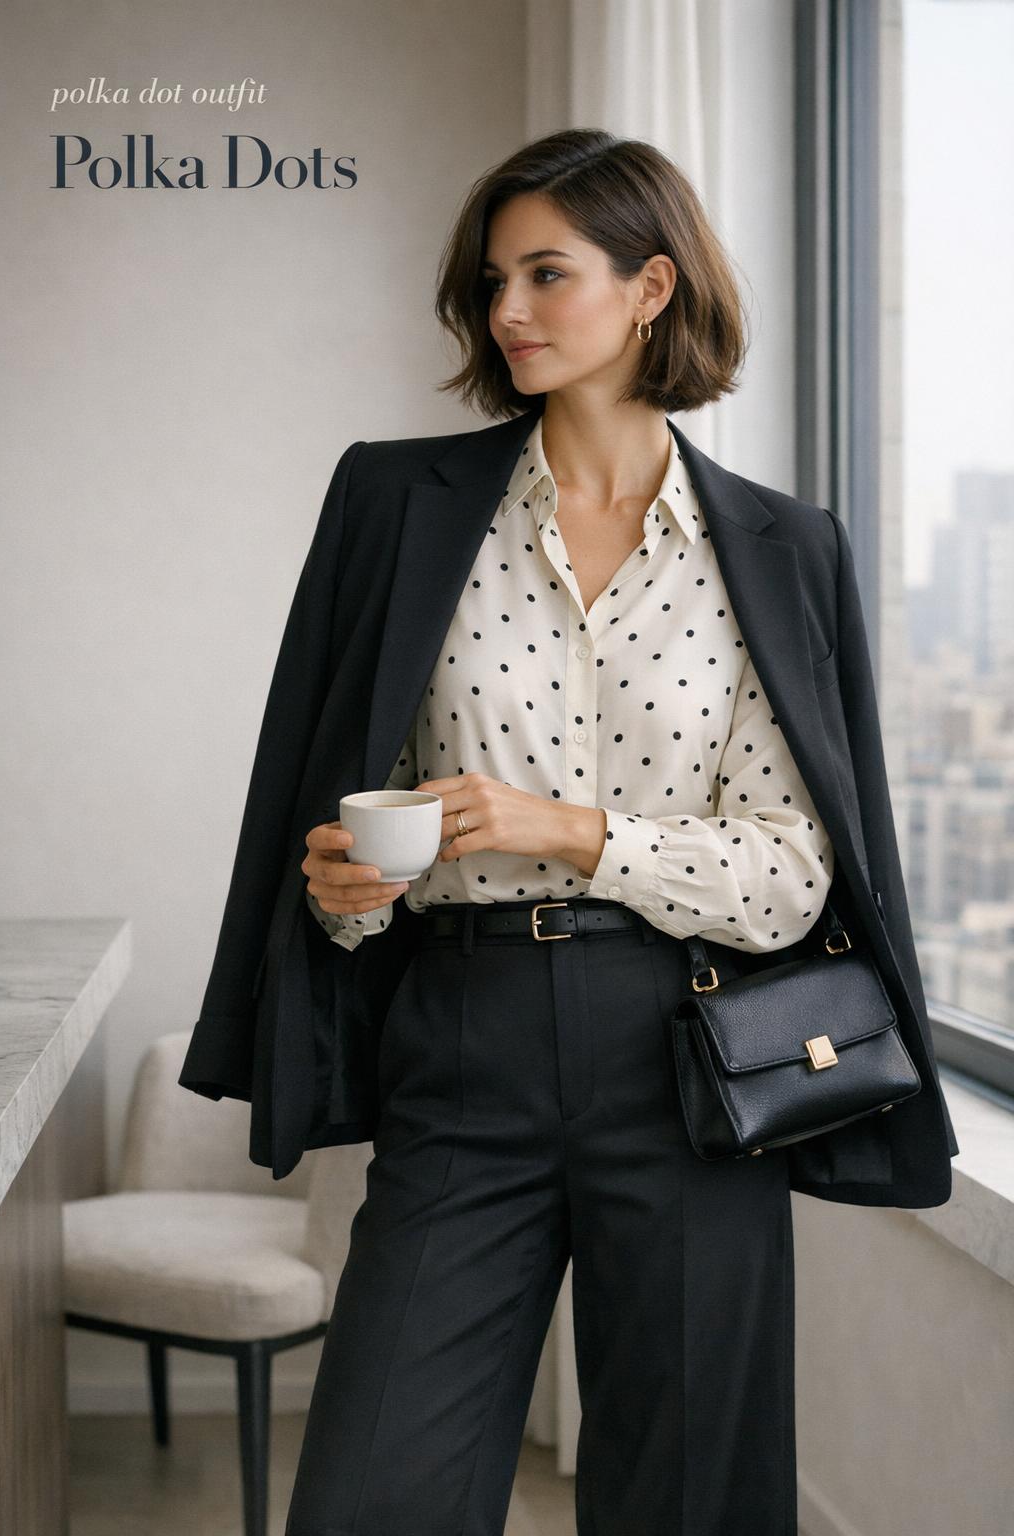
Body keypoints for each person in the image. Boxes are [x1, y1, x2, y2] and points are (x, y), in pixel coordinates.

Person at [178, 127, 958, 1536]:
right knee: (373, 1495)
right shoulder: (395, 503)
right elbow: (339, 792)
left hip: (697, 1051)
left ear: (651, 288)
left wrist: (575, 831)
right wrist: (346, 891)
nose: (508, 310)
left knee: (689, 1502)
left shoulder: (782, 547)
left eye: (547, 273)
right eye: (495, 280)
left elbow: (792, 873)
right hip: (459, 1039)